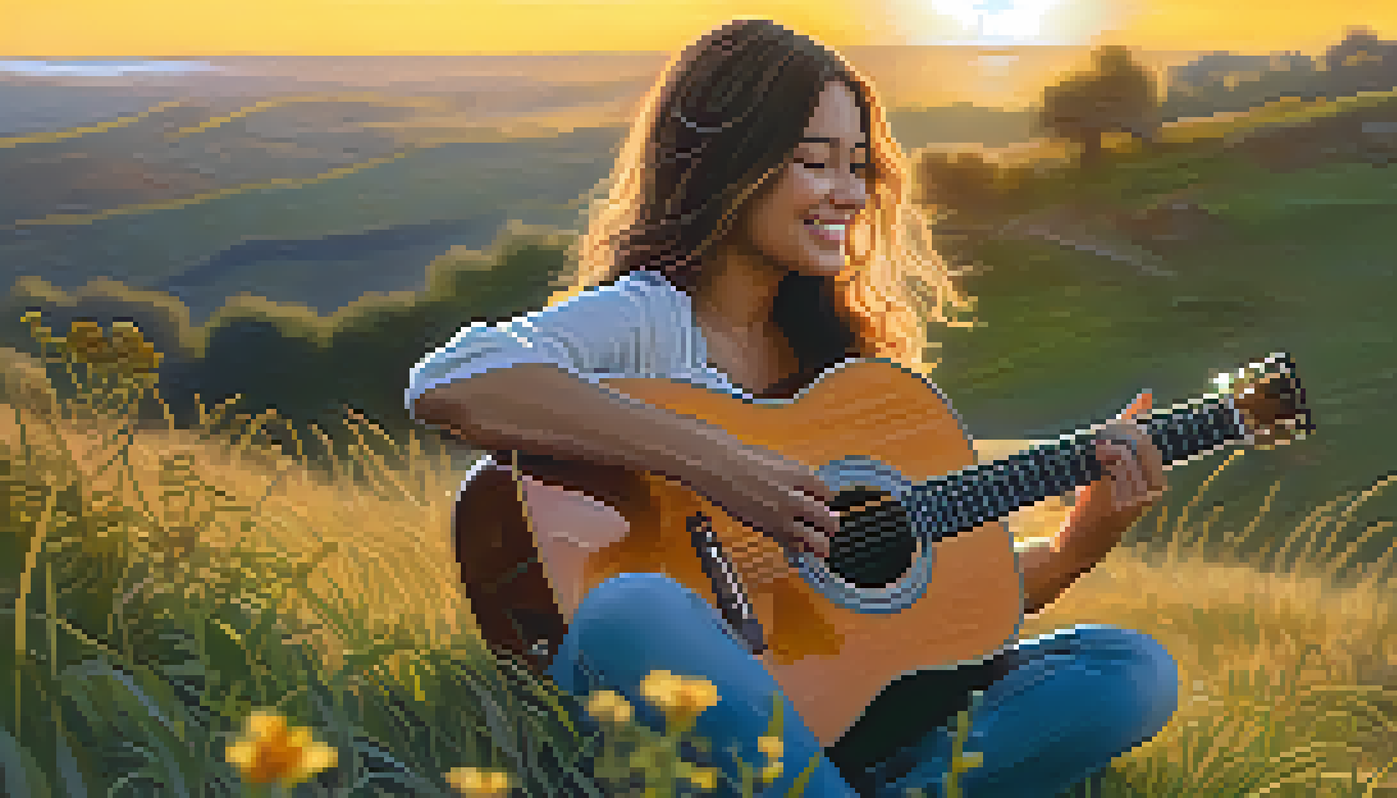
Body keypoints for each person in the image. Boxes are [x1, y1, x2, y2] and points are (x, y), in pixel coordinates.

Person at [407, 18, 1178, 798]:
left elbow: (924, 623)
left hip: (827, 719)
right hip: (667, 705)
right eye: (816, 162)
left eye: (858, 166)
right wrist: (718, 463)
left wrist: (1075, 548)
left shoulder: (848, 377)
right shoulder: (648, 318)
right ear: (726, 165)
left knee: (1129, 668)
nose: (850, 193)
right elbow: (453, 378)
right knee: (629, 608)